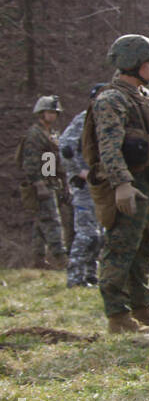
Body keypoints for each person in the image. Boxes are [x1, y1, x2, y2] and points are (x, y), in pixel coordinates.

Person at [85, 35, 149, 334]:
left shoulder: (147, 97)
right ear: (133, 64)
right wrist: (121, 185)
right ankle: (117, 316)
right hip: (130, 182)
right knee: (121, 247)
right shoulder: (111, 100)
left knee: (146, 247)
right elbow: (108, 148)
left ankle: (142, 308)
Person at [59, 85, 107, 286]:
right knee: (87, 234)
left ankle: (90, 274)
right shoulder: (82, 120)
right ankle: (75, 277)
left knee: (100, 236)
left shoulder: (108, 121)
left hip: (102, 186)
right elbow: (65, 148)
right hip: (84, 186)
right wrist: (80, 171)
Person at [17, 96, 68, 270]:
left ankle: (38, 259)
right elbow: (30, 162)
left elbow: (56, 161)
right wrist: (38, 184)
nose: (52, 115)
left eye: (54, 112)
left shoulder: (52, 134)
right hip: (41, 184)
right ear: (41, 113)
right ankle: (61, 258)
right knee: (52, 221)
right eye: (49, 112)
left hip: (52, 181)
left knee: (41, 222)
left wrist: (62, 182)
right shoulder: (34, 134)